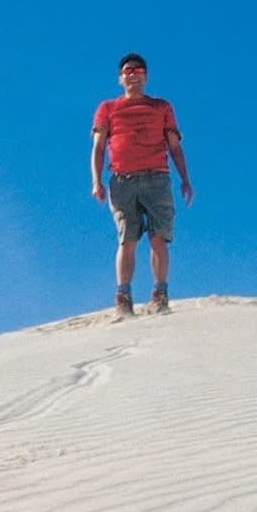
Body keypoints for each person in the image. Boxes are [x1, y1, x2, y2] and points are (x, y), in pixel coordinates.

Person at [90, 52, 194, 316]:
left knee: (159, 238)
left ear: (145, 77)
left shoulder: (161, 107)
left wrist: (185, 179)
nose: (133, 75)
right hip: (122, 180)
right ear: (120, 78)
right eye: (128, 71)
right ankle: (123, 297)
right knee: (127, 240)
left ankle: (160, 294)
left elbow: (174, 146)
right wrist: (96, 181)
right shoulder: (107, 108)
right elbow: (98, 147)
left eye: (138, 71)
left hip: (157, 177)